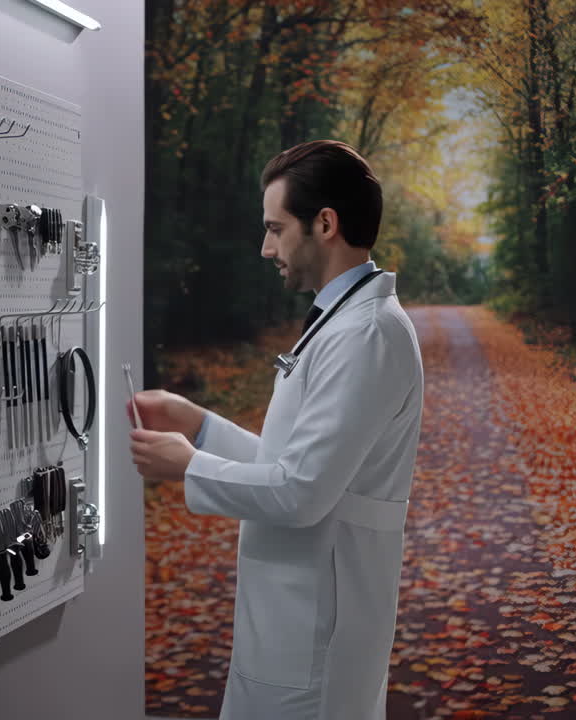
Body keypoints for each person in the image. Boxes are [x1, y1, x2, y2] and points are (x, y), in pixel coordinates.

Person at [129, 140, 425, 720]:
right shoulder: (345, 321)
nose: (266, 248)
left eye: (275, 228)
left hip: (318, 625)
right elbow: (297, 465)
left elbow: (301, 492)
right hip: (296, 611)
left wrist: (186, 464)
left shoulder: (365, 335)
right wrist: (200, 425)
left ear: (325, 223)